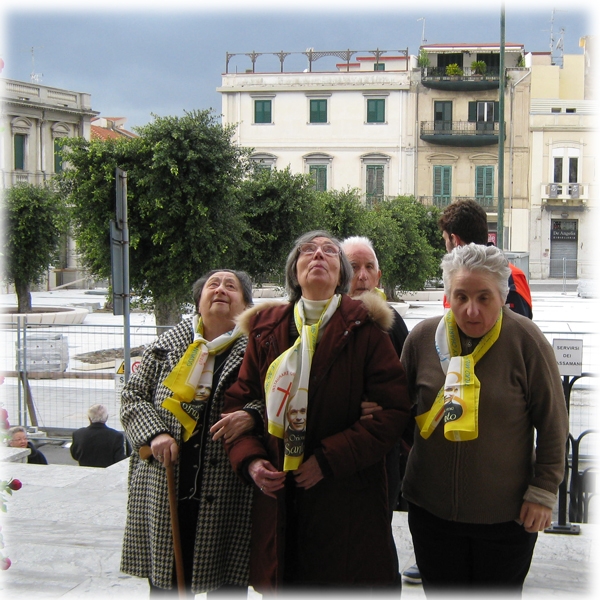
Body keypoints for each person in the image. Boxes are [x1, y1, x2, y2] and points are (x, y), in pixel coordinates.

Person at [223, 230, 411, 593]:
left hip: (345, 498)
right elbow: (239, 401)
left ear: (341, 275)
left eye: (328, 251)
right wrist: (251, 461)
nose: (318, 255)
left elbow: (392, 410)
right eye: (307, 251)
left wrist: (327, 460)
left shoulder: (365, 328)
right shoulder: (266, 329)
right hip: (280, 497)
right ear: (295, 272)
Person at [400, 244, 568, 594]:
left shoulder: (527, 342)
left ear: (503, 297)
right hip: (431, 513)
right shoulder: (420, 340)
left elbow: (553, 423)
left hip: (506, 518)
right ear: (448, 295)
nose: (471, 310)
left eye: (483, 297)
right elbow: (400, 411)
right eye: (460, 296)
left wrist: (544, 490)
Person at [120, 270, 258, 597]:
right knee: (167, 586)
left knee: (226, 586)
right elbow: (132, 395)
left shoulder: (258, 350)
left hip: (227, 492)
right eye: (213, 285)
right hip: (166, 486)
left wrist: (252, 415)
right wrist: (154, 434)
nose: (220, 290)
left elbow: (274, 398)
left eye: (230, 286)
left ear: (245, 304)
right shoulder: (167, 347)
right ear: (199, 301)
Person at [438, 199, 533, 319]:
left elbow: (518, 332)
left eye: (483, 298)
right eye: (462, 298)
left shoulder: (454, 278)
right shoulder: (515, 276)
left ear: (455, 240)